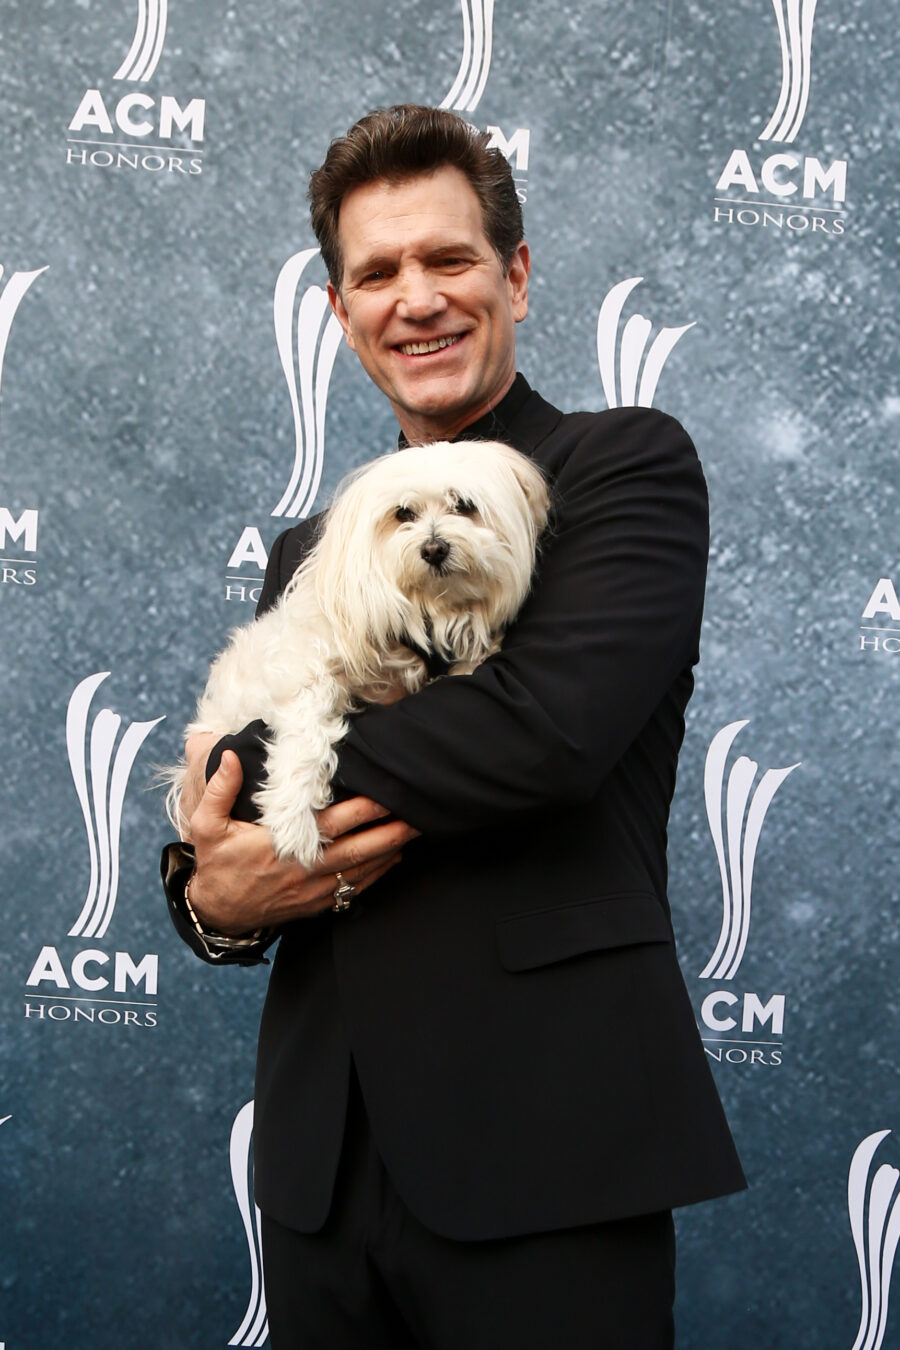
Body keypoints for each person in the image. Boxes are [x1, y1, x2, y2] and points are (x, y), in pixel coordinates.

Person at [162, 104, 745, 1349]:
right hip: (324, 1168)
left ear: (517, 278)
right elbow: (227, 800)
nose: (414, 299)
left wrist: (286, 811)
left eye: (449, 260)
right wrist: (215, 900)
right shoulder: (310, 553)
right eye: (377, 274)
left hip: (550, 1147)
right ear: (339, 314)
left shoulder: (620, 468)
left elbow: (548, 730)